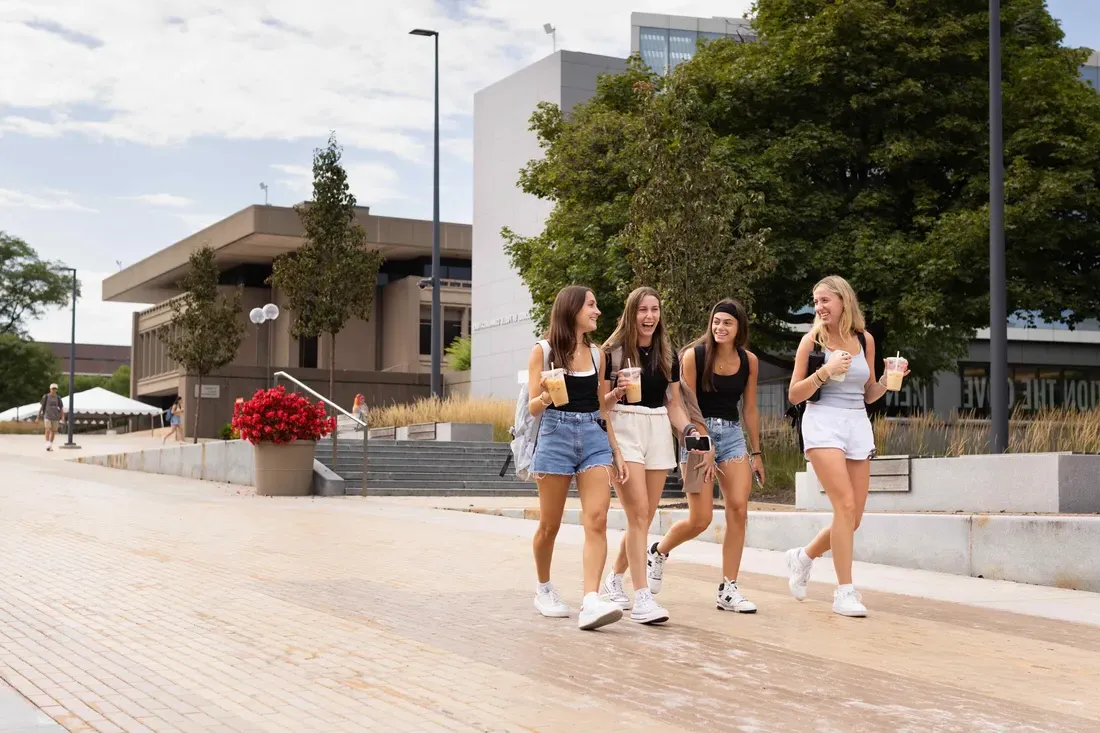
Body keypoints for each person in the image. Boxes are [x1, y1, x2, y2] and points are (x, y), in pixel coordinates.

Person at [784, 275, 906, 617]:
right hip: (822, 420)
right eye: (817, 301)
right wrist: (824, 371)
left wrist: (886, 381)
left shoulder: (863, 339)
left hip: (856, 422)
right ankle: (844, 591)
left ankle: (803, 556)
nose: (820, 307)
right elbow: (794, 394)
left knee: (853, 518)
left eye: (826, 300)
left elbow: (867, 393)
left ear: (843, 302)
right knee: (845, 504)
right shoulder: (811, 342)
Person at [646, 299, 764, 614]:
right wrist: (704, 443)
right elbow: (688, 406)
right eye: (716, 322)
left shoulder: (749, 361)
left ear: (739, 328)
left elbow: (750, 409)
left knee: (739, 510)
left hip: (733, 437)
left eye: (727, 323)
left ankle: (729, 588)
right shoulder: (693, 357)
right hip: (698, 437)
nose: (720, 328)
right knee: (701, 519)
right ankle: (658, 551)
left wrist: (757, 452)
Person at [528, 285, 629, 631]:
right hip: (554, 435)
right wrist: (546, 395)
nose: (597, 311)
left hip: (593, 437)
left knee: (597, 518)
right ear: (572, 310)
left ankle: (590, 600)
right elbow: (531, 407)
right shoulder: (543, 351)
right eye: (591, 304)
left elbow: (601, 406)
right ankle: (543, 589)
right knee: (549, 525)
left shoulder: (599, 355)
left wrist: (615, 449)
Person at [598, 287, 698, 624]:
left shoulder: (665, 353)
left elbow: (673, 402)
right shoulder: (610, 353)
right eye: (642, 310)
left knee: (643, 515)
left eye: (654, 310)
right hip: (623, 427)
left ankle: (614, 579)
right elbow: (600, 406)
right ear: (631, 314)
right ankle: (642, 597)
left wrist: (688, 431)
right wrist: (617, 392)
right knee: (639, 513)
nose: (649, 316)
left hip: (657, 428)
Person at [37, 383, 65, 452]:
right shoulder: (46, 397)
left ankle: (50, 445)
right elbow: (41, 407)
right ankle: (47, 443)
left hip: (55, 417)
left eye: (55, 389)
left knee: (53, 432)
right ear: (50, 389)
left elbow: (61, 408)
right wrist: (38, 417)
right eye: (53, 389)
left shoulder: (58, 398)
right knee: (47, 429)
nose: (54, 390)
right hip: (47, 416)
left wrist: (62, 417)